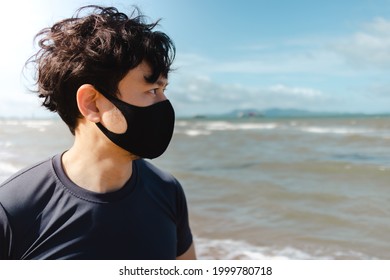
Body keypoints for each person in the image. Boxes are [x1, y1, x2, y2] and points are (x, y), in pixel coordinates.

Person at [0, 5, 195, 260]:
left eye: (164, 90)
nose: (164, 104)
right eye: (151, 91)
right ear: (91, 103)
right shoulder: (12, 209)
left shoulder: (168, 191)